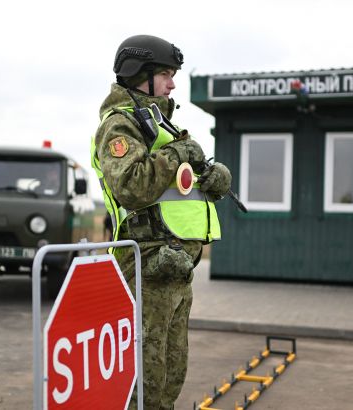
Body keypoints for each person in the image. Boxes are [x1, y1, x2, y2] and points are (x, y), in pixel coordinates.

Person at [90, 34, 232, 409]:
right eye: (166, 74)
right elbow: (131, 186)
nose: (172, 83)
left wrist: (212, 177)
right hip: (146, 263)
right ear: (141, 75)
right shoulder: (119, 126)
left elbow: (180, 182)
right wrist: (177, 153)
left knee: (171, 370)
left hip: (175, 265)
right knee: (146, 377)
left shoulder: (160, 124)